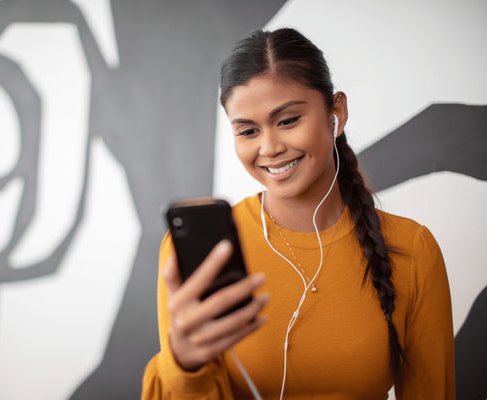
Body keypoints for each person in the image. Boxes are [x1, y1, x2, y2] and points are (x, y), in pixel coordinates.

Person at [141, 28, 455, 399]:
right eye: (248, 131)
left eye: (288, 120)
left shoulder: (413, 250)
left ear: (336, 112)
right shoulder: (200, 253)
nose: (270, 147)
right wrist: (184, 365)